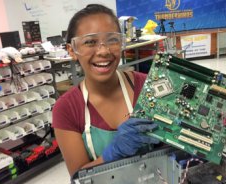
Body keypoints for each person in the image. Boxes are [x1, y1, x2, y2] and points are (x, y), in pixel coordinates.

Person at [52, 4, 159, 176]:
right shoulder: (67, 109)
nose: (103, 51)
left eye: (112, 40)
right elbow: (78, 178)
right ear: (72, 50)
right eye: (90, 42)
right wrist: (112, 154)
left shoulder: (148, 86)